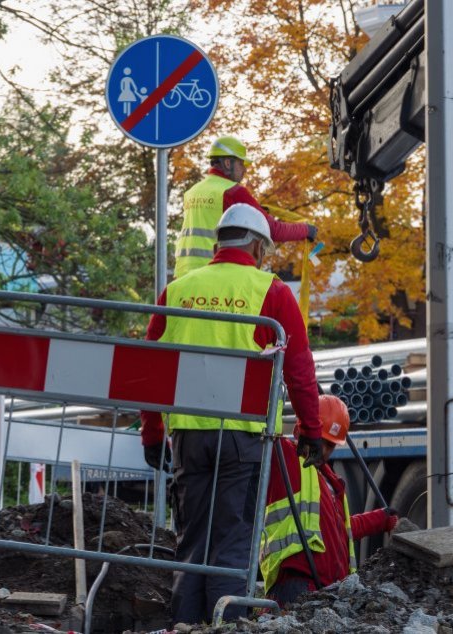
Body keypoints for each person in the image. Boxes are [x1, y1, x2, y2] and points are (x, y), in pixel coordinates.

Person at [140, 203, 323, 625]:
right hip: (243, 437)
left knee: (192, 543)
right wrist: (310, 430)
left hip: (188, 437)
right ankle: (226, 627)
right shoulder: (271, 291)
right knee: (232, 542)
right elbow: (299, 367)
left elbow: (150, 368)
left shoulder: (178, 290)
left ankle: (184, 626)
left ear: (218, 244)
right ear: (257, 247)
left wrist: (152, 434)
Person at [261, 394, 398, 607]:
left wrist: (381, 519)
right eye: (322, 442)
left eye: (331, 445)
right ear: (300, 431)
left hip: (330, 589)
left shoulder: (329, 481)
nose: (324, 451)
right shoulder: (286, 458)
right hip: (295, 584)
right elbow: (266, 426)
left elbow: (341, 530)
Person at [174, 135, 317, 278]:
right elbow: (272, 230)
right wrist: (306, 230)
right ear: (228, 163)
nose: (244, 170)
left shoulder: (192, 192)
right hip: (212, 274)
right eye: (241, 164)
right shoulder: (232, 192)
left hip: (183, 275)